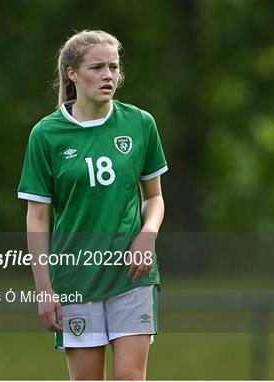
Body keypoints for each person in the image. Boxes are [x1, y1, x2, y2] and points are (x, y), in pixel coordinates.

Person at [17, 30, 167, 380]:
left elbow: (154, 197)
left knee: (130, 376)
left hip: (131, 275)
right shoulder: (46, 134)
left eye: (114, 67)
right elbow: (37, 217)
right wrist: (44, 289)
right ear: (72, 73)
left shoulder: (140, 123)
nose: (109, 76)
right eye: (97, 67)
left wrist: (148, 233)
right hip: (75, 276)